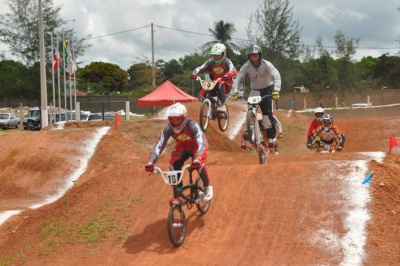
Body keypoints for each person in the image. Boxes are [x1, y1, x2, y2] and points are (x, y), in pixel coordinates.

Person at [145, 102, 213, 201]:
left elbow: (202, 142)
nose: (175, 122)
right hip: (182, 146)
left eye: (178, 119)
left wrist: (199, 157)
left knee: (199, 163)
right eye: (173, 119)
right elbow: (160, 144)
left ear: (184, 118)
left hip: (195, 146)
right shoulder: (168, 128)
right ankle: (178, 190)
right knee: (172, 164)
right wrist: (151, 161)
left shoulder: (192, 125)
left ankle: (207, 187)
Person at [231, 43, 281, 144]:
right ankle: (248, 131)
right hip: (255, 91)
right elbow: (239, 78)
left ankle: (271, 137)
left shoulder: (266, 64)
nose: (254, 58)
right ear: (249, 57)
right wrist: (235, 91)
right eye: (251, 56)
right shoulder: (246, 66)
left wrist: (276, 90)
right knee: (250, 110)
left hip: (267, 90)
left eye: (255, 55)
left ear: (259, 55)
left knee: (267, 114)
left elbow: (276, 75)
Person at [190, 42, 237, 112]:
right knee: (203, 92)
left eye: (218, 55)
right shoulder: (210, 62)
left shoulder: (227, 61)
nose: (216, 57)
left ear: (223, 53)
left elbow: (233, 70)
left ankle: (223, 105)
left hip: (226, 84)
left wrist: (227, 75)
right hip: (214, 83)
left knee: (220, 82)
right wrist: (194, 73)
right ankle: (212, 108)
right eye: (214, 55)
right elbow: (200, 68)